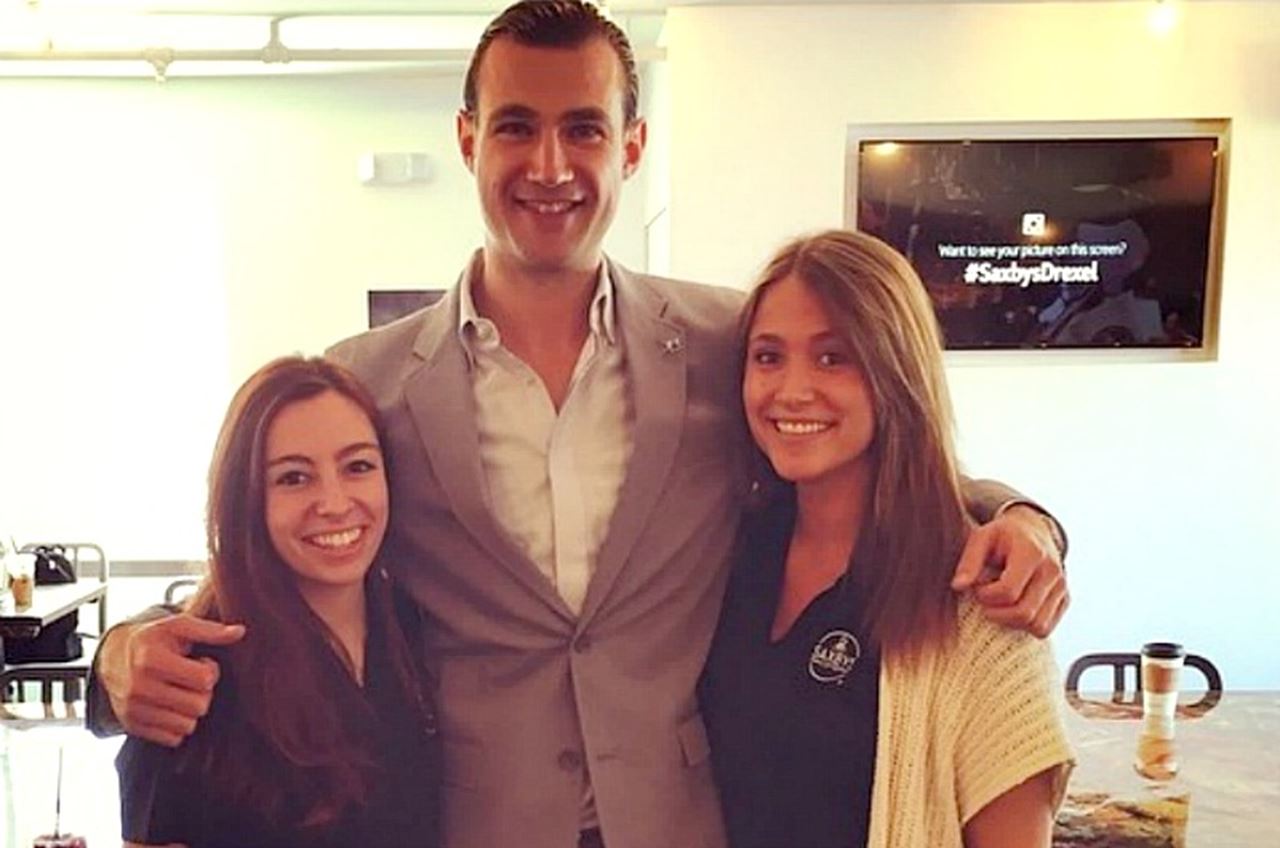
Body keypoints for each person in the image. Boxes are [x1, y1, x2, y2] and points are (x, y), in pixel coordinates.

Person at [91, 4, 1070, 847]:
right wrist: (117, 652)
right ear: (468, 138)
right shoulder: (368, 380)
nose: (549, 164)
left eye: (584, 129)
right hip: (474, 822)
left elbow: (867, 420)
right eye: (515, 127)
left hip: (683, 817)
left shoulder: (729, 338)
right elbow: (262, 560)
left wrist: (1019, 515)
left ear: (630, 146)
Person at [701, 230, 1074, 848]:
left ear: (896, 371)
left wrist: (1028, 521)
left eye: (833, 357)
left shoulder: (978, 602)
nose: (791, 390)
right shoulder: (729, 549)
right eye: (768, 356)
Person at [114, 356, 440, 848]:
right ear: (245, 498)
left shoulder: (416, 629)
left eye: (358, 467)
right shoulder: (188, 680)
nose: (333, 502)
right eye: (293, 477)